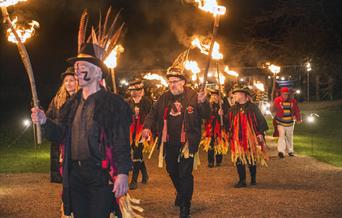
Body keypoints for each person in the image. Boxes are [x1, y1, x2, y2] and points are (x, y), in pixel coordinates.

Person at [31, 42, 131, 218]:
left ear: (98, 72)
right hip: (75, 175)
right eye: (76, 66)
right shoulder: (72, 104)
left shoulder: (114, 104)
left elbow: (121, 140)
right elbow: (61, 134)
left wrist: (122, 172)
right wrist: (45, 121)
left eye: (82, 66)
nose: (77, 70)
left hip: (101, 175)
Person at [142, 67, 210, 218]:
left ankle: (185, 206)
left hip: (187, 142)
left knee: (185, 173)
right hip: (169, 142)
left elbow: (206, 114)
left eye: (175, 82)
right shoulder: (164, 98)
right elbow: (152, 114)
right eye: (170, 82)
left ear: (183, 82)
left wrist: (203, 101)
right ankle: (181, 192)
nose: (172, 85)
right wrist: (146, 127)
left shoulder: (193, 96)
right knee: (172, 171)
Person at [227, 84, 269, 188]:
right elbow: (228, 123)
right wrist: (221, 115)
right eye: (235, 94)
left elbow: (260, 120)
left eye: (238, 93)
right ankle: (242, 181)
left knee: (251, 158)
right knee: (239, 159)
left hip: (251, 137)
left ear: (245, 95)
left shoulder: (253, 107)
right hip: (238, 138)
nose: (236, 95)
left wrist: (259, 133)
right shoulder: (233, 108)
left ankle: (253, 178)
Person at [46, 66, 77, 183]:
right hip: (60, 140)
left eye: (72, 80)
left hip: (75, 141)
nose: (68, 83)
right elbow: (49, 116)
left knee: (75, 175)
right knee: (64, 173)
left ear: (77, 81)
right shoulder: (57, 99)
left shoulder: (83, 98)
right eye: (66, 81)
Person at [127, 79, 152, 190]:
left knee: (137, 153)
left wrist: (140, 114)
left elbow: (151, 116)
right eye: (131, 90)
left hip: (142, 131)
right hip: (131, 131)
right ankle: (145, 174)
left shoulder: (147, 101)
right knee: (138, 154)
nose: (133, 92)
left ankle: (134, 180)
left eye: (135, 90)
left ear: (140, 90)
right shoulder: (127, 102)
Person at [272, 87, 302, 158]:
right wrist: (274, 116)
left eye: (287, 94)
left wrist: (298, 118)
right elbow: (273, 109)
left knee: (289, 137)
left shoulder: (293, 101)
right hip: (280, 122)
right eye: (284, 94)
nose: (286, 96)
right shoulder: (277, 100)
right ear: (281, 94)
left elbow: (297, 110)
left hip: (290, 122)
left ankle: (290, 151)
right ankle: (281, 151)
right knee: (281, 136)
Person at [203, 89, 228, 168]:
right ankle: (210, 161)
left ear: (219, 97)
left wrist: (222, 114)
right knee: (211, 144)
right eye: (213, 95)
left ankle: (218, 161)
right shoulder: (209, 105)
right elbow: (206, 115)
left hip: (220, 128)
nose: (214, 97)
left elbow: (227, 117)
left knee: (219, 143)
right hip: (211, 128)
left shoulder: (223, 106)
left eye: (216, 95)